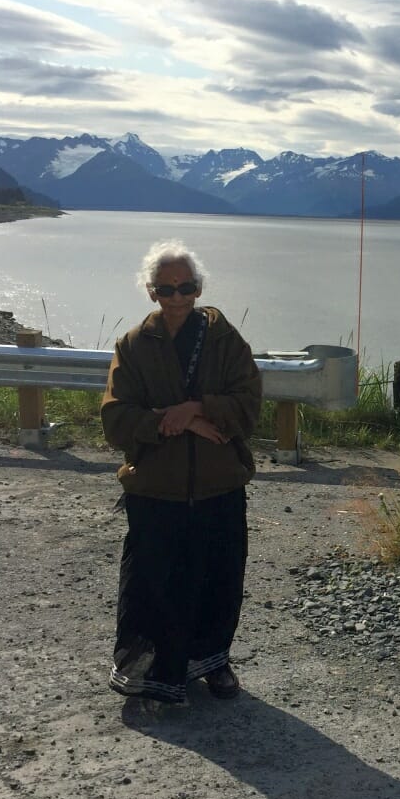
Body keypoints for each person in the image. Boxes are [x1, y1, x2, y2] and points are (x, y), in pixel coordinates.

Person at [101, 241, 261, 703]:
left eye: (185, 287)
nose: (176, 297)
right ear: (151, 292)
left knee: (219, 581)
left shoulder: (226, 340)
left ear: (198, 289)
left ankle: (214, 664)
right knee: (153, 586)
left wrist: (195, 406)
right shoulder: (131, 346)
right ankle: (151, 674)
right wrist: (177, 420)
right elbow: (116, 419)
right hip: (155, 489)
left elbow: (249, 406)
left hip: (218, 486)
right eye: (166, 288)